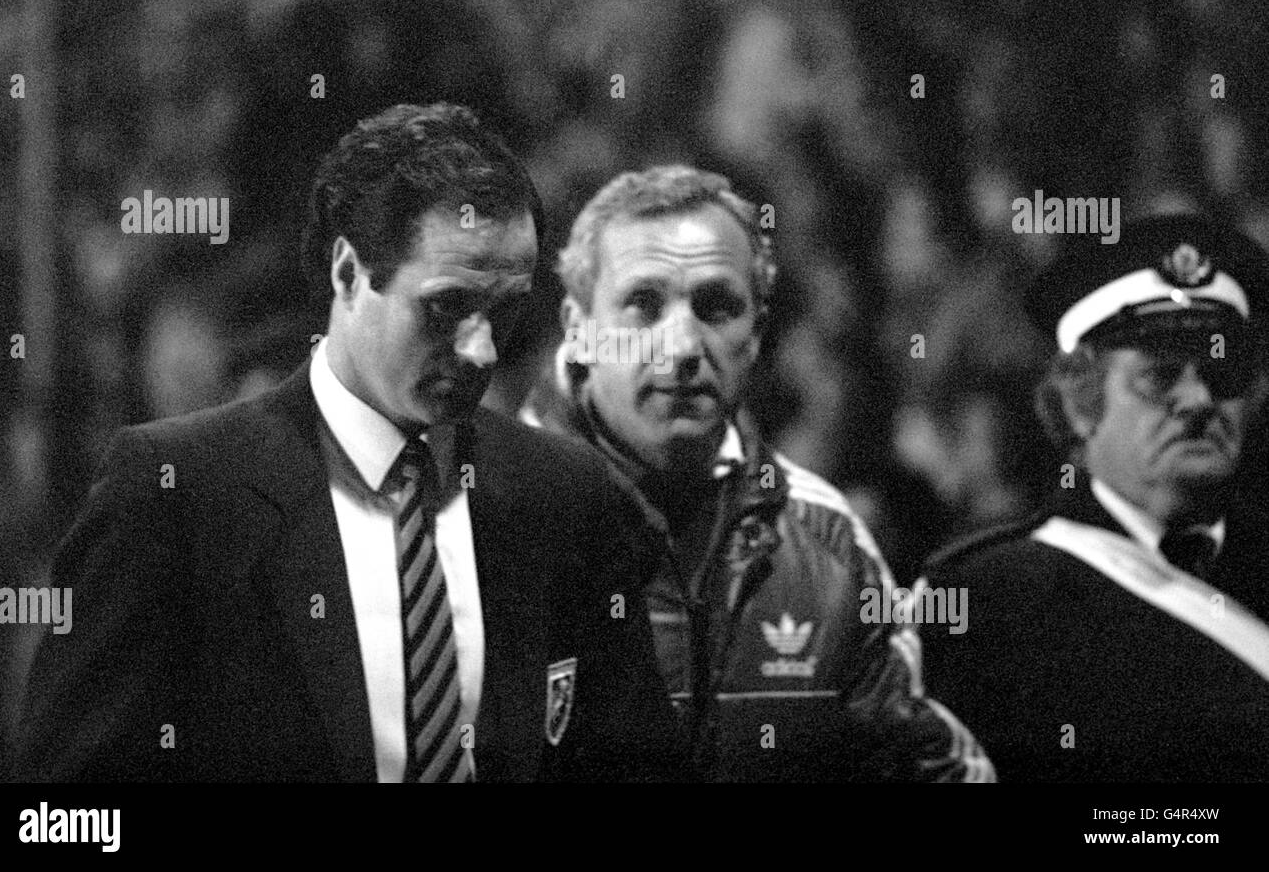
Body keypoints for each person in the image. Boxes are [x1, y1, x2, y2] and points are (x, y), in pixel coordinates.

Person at [16, 102, 681, 783]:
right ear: (346, 274)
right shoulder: (174, 495)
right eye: (447, 306)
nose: (481, 350)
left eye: (506, 308)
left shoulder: (567, 496)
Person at [521, 164, 993, 781]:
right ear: (577, 332)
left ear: (757, 335)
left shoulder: (829, 544)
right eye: (643, 304)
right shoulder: (480, 519)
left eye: (717, 307)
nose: (684, 347)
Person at [923, 212, 1269, 782]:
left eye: (1221, 372)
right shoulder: (991, 599)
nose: (1199, 399)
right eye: (1160, 377)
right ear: (1083, 406)